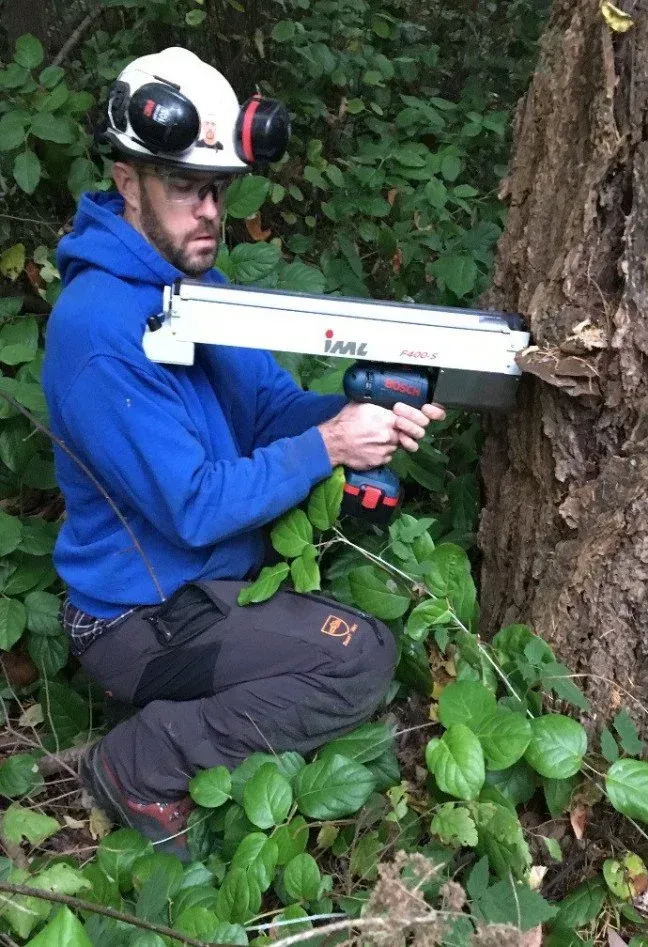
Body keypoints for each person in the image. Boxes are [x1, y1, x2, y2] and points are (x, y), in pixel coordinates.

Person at [42, 47, 445, 861]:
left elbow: (267, 409)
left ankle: (177, 726)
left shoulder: (197, 287)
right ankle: (137, 761)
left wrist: (359, 410)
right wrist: (330, 445)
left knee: (347, 635)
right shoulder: (97, 330)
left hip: (206, 584)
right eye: (186, 188)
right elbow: (193, 504)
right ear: (128, 182)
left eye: (217, 189)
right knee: (359, 661)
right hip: (134, 615)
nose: (210, 212)